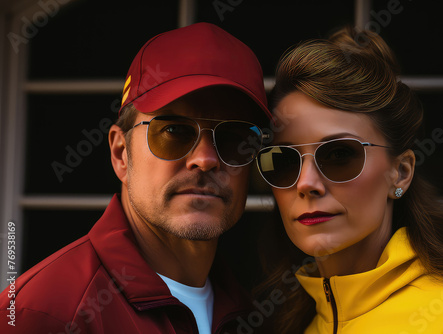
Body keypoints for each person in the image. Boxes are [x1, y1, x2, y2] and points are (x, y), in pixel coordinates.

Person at [0, 22, 272, 333]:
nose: (205, 159)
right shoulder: (44, 314)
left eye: (234, 138)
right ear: (121, 154)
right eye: (174, 131)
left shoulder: (257, 316)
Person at [254, 26, 443, 333]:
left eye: (339, 155)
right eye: (284, 161)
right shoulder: (299, 324)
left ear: (401, 172)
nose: (306, 183)